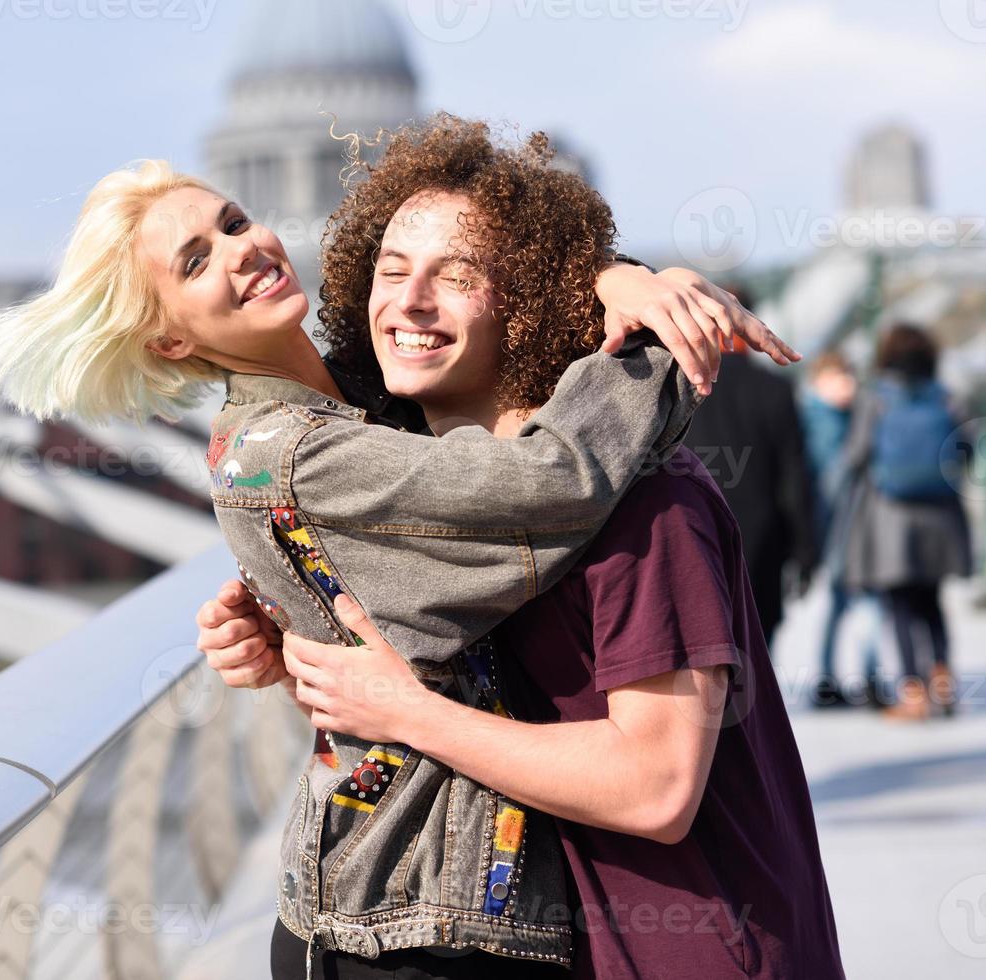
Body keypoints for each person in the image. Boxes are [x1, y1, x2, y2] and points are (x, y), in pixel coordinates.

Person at [0, 112, 796, 977]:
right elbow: (547, 483)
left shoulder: (365, 395)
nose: (239, 250)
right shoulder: (294, 451)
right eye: (195, 261)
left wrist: (611, 278)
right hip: (400, 924)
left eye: (233, 222)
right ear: (170, 340)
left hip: (456, 903)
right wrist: (653, 340)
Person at [197, 121, 841, 979]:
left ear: (530, 300)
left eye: (456, 276)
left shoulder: (644, 510)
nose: (409, 303)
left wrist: (408, 713)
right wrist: (290, 646)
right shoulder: (448, 510)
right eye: (391, 273)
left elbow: (654, 787)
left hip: (689, 946)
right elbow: (419, 695)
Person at [840, 324, 973, 720]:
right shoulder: (948, 397)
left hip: (891, 517)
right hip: (941, 513)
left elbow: (856, 454)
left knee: (899, 604)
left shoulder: (875, 397)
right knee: (932, 601)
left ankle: (913, 695)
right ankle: (943, 683)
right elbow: (964, 449)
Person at [682, 294, 816, 647]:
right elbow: (794, 475)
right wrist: (805, 549)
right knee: (755, 649)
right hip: (762, 541)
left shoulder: (678, 386)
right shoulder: (775, 390)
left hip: (691, 534)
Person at [801, 351, 882, 707]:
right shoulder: (823, 421)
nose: (847, 385)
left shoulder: (844, 417)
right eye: (839, 377)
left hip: (847, 527)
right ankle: (857, 677)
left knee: (846, 603)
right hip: (838, 528)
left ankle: (835, 676)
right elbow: (831, 479)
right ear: (820, 382)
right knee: (856, 602)